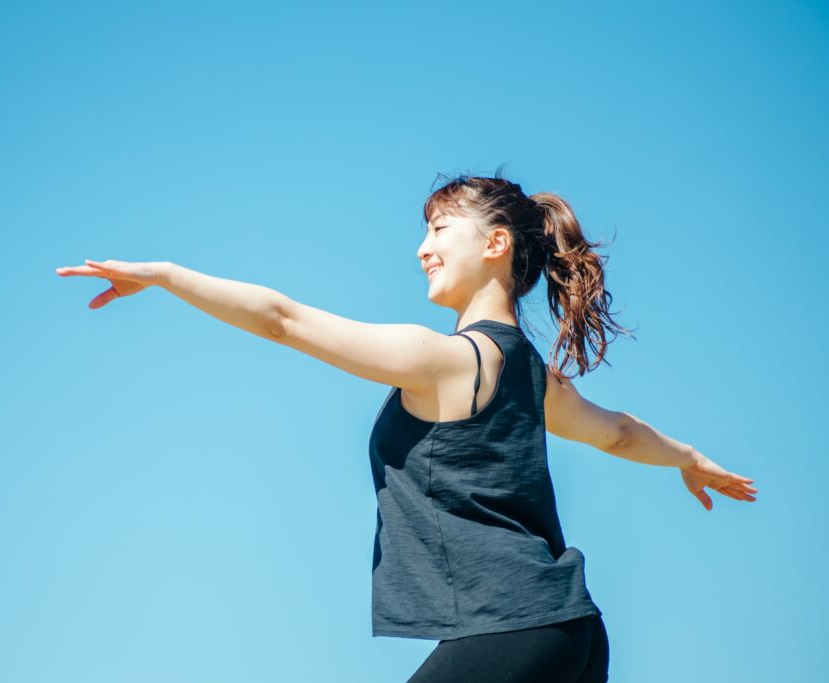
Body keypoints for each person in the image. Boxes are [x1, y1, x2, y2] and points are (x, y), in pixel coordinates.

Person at [56, 172, 758, 682]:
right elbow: (618, 433)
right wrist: (688, 457)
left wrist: (165, 274)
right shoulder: (530, 374)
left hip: (511, 628)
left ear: (497, 243)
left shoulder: (447, 359)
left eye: (440, 228)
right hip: (574, 635)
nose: (422, 246)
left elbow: (283, 319)